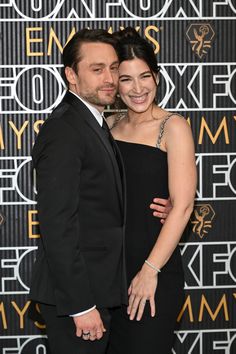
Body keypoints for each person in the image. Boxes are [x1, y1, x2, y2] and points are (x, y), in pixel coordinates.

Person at [29, 28, 171, 354]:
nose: (109, 78)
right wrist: (80, 307)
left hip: (99, 290)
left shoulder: (94, 121)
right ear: (71, 75)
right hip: (78, 300)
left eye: (112, 68)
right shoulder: (65, 130)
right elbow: (57, 227)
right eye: (96, 69)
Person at [106, 28, 197, 354]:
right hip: (108, 275)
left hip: (153, 270)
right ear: (114, 83)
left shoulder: (172, 127)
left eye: (145, 76)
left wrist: (149, 271)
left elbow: (184, 206)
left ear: (157, 77)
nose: (138, 88)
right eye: (126, 79)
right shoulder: (109, 125)